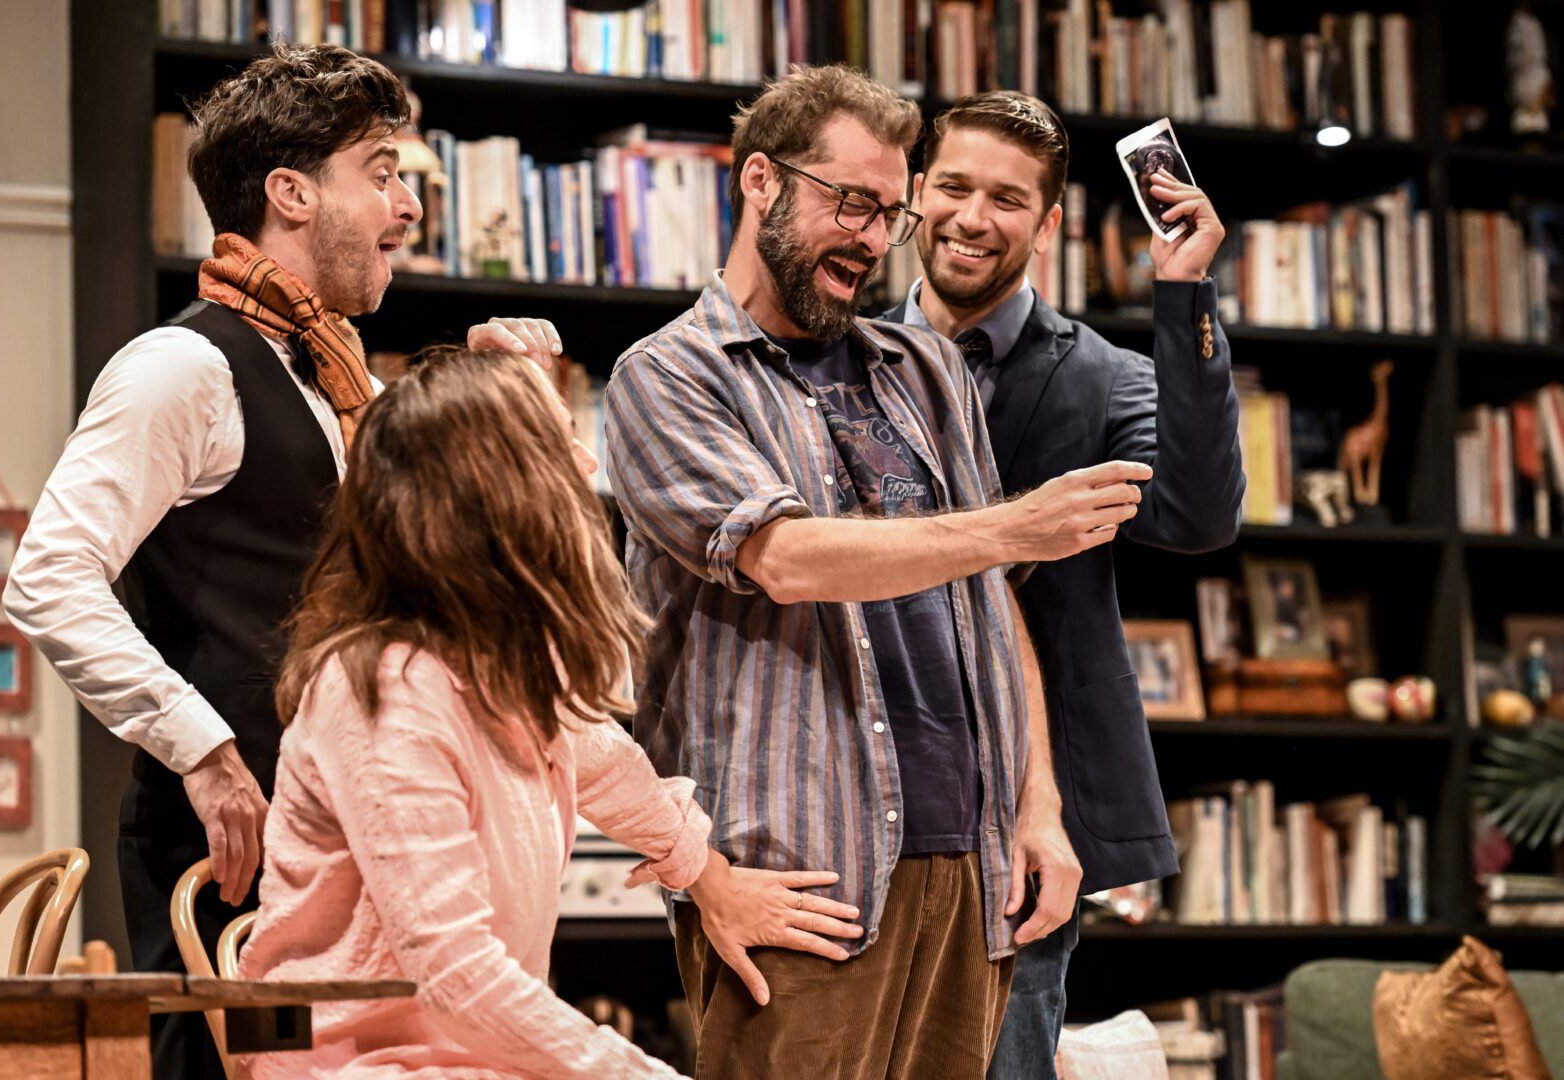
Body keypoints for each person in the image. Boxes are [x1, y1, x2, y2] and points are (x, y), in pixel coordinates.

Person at [3, 43, 561, 1079]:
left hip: (356, 851)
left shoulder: (345, 386)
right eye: (383, 173)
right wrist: (205, 755)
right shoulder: (184, 367)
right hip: (236, 860)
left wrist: (497, 406)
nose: (407, 205)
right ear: (291, 193)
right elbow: (48, 577)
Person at [604, 65, 1153, 1079]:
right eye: (850, 202)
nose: (869, 238)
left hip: (971, 865)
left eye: (890, 214)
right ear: (761, 181)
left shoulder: (925, 368)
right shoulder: (668, 374)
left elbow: (989, 604)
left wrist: (1039, 806)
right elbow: (783, 556)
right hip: (805, 874)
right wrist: (1012, 528)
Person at [238, 345, 860, 1079]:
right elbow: (456, 974)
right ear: (496, 492)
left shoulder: (498, 661)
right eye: (560, 441)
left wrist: (705, 874)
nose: (587, 465)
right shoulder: (386, 690)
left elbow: (605, 764)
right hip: (346, 1060)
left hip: (452, 1051)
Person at [880, 91, 1244, 1080]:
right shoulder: (838, 359)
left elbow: (1198, 516)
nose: (971, 217)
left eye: (1006, 199)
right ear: (916, 194)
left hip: (1026, 819)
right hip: (857, 784)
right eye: (953, 186)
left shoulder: (1105, 377)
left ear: (1047, 225)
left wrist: (1186, 294)